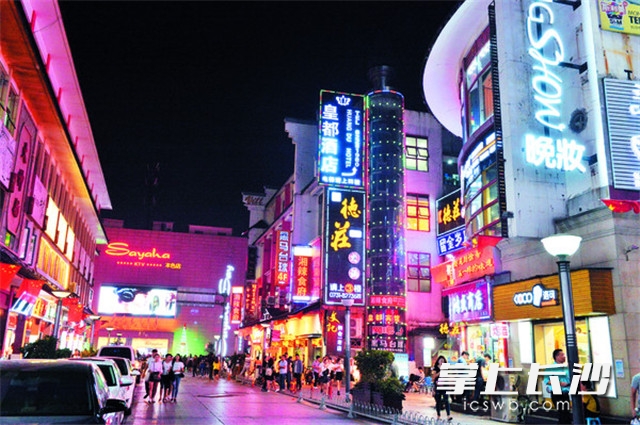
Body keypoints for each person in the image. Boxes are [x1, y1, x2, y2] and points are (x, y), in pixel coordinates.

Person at [543, 349, 571, 425]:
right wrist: (559, 383)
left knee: (566, 412)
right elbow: (546, 380)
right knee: (562, 413)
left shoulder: (566, 367)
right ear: (557, 357)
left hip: (565, 392)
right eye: (562, 355)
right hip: (556, 392)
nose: (564, 356)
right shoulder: (551, 368)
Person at [433, 355, 453, 421]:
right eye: (441, 360)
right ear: (438, 361)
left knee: (446, 400)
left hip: (445, 386)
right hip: (438, 386)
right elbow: (434, 377)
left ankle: (448, 416)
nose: (442, 362)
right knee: (438, 401)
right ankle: (438, 416)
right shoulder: (435, 368)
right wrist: (440, 371)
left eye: (443, 361)